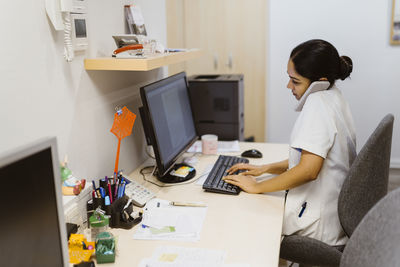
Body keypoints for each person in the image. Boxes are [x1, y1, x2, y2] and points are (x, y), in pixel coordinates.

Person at [223, 39, 356, 246]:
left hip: (319, 228)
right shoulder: (334, 96)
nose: (289, 86)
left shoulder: (318, 104)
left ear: (318, 81)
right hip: (334, 214)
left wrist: (258, 187)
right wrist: (265, 168)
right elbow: (314, 156)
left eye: (295, 81)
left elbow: (308, 170)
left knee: (242, 217)